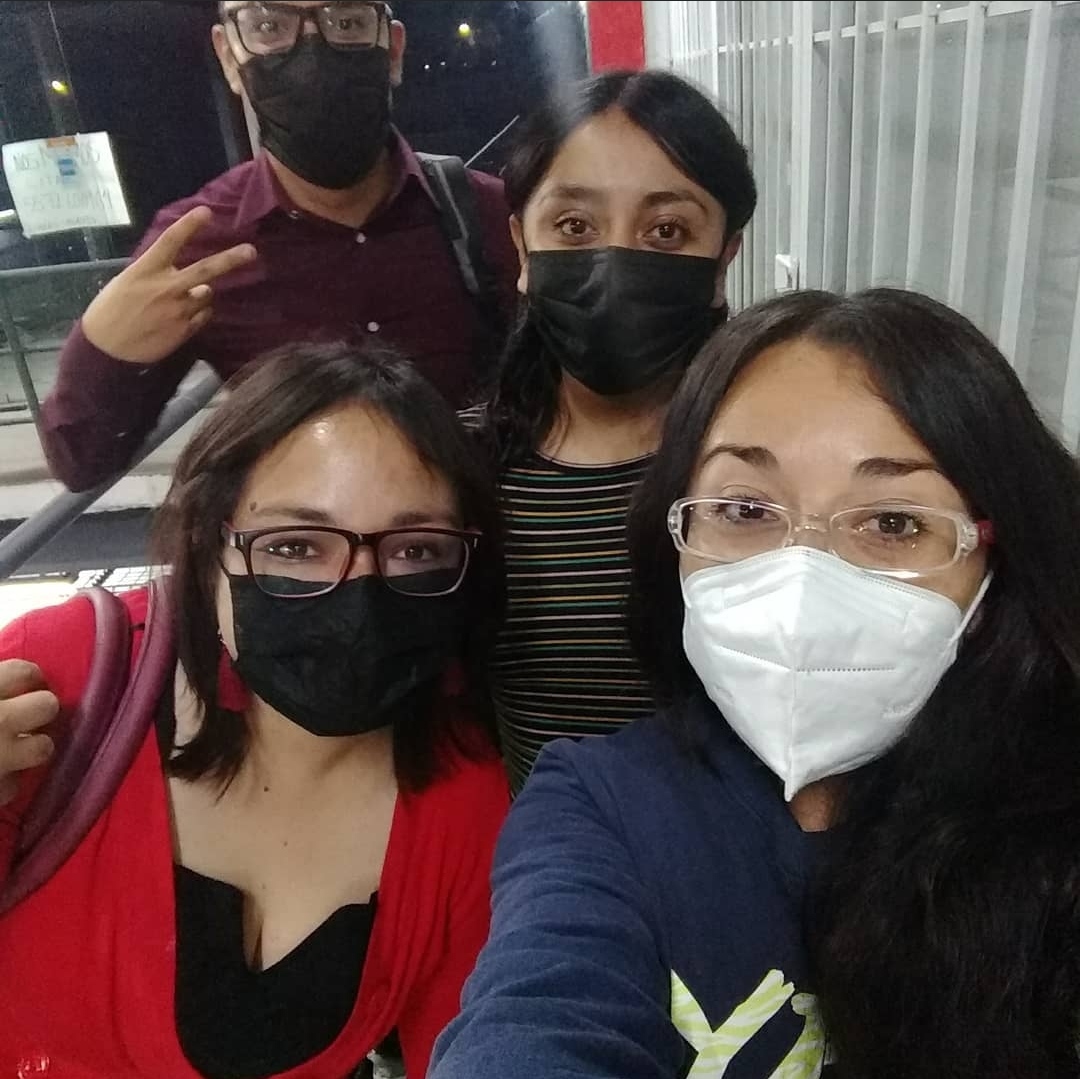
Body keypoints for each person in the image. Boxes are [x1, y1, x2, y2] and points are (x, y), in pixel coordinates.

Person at [432, 287, 1080, 1079]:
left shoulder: (1054, 810)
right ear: (676, 535)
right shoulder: (601, 804)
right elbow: (537, 1017)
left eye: (892, 522)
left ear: (991, 565)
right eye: (744, 508)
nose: (801, 582)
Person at [0, 343, 510, 1078]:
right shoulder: (56, 679)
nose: (357, 600)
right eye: (295, 546)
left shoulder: (465, 806)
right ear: (208, 545)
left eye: (416, 549)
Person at [42, 0, 518, 493]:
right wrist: (100, 349)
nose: (311, 53)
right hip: (309, 538)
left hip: (483, 530)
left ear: (393, 49)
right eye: (269, 25)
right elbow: (83, 463)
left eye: (348, 22)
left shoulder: (492, 214)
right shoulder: (199, 245)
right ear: (229, 56)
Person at [470, 69, 756, 791]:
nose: (614, 261)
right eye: (574, 226)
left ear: (723, 259)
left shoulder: (772, 470)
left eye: (667, 231)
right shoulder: (459, 468)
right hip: (545, 850)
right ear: (522, 249)